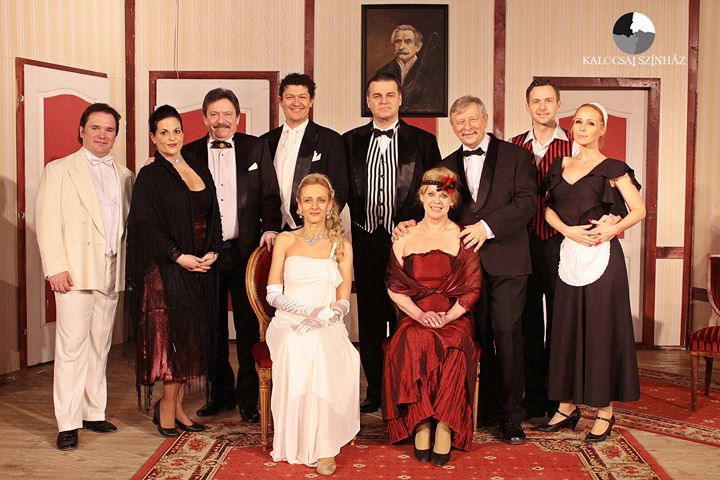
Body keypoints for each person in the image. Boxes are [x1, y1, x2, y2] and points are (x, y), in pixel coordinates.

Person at [536, 103, 644, 443]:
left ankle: (605, 411)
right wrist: (567, 230)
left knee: (600, 331)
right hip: (569, 255)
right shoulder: (559, 165)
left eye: (591, 123)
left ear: (602, 130)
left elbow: (638, 210)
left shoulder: (613, 168)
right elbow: (547, 209)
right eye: (579, 122)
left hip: (602, 259)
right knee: (565, 329)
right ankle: (566, 407)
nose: (582, 128)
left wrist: (613, 229)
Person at [438, 95, 536, 443]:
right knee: (473, 337)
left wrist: (486, 227)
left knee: (507, 336)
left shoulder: (516, 157)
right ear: (453, 127)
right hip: (466, 266)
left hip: (508, 262)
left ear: (485, 119)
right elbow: (439, 209)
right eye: (459, 122)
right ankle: (476, 409)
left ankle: (510, 416)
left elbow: (527, 203)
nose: (466, 127)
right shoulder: (446, 166)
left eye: (471, 119)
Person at [36, 103, 133, 451]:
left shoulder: (125, 175)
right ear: (81, 130)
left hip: (110, 269)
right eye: (95, 128)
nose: (102, 135)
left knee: (100, 345)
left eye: (109, 129)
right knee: (71, 348)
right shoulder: (59, 170)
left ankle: (93, 411)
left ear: (116, 135)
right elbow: (46, 222)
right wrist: (55, 267)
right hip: (74, 271)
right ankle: (68, 422)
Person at [182, 88, 282, 423]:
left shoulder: (256, 147)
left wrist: (271, 227)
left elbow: (270, 195)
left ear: (238, 117)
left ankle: (248, 399)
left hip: (246, 252)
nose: (221, 120)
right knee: (211, 330)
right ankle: (219, 395)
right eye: (214, 114)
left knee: (249, 329)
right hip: (206, 256)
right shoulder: (189, 153)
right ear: (204, 118)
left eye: (227, 114)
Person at [344, 72, 441, 413]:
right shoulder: (350, 141)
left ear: (400, 99)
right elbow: (338, 190)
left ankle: (407, 390)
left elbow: (438, 190)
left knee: (406, 317)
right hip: (366, 238)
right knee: (370, 319)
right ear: (367, 101)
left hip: (410, 243)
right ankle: (375, 390)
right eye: (376, 95)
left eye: (389, 95)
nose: (383, 101)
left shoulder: (423, 141)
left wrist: (416, 221)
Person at [125, 105, 222, 437]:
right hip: (168, 270)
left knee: (191, 341)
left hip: (199, 267)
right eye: (163, 132)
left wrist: (213, 250)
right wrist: (179, 257)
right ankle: (165, 407)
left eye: (176, 130)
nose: (171, 137)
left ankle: (179, 407)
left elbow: (214, 214)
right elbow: (147, 225)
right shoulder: (150, 175)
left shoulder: (197, 166)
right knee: (173, 343)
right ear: (153, 137)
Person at [383, 167, 481, 467]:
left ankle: (446, 424)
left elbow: (472, 289)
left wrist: (448, 317)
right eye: (431, 194)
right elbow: (394, 286)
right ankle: (422, 421)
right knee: (414, 337)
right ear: (421, 197)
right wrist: (419, 314)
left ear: (453, 200)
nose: (437, 201)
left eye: (444, 195)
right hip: (415, 316)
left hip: (455, 316)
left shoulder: (464, 237)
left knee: (454, 344)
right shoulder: (405, 236)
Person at [265, 173, 359, 476]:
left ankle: (324, 446)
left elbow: (344, 299)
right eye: (308, 200)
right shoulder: (285, 240)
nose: (314, 206)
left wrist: (328, 315)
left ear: (330, 204)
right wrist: (309, 311)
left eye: (321, 200)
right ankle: (297, 437)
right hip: (288, 321)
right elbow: (273, 294)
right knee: (297, 343)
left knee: (319, 346)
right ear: (298, 204)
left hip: (327, 322)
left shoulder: (341, 245)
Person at [508, 78, 575, 420]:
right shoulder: (514, 145)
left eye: (549, 100)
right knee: (528, 321)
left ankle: (559, 397)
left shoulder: (574, 145)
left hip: (560, 242)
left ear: (558, 104)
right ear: (527, 106)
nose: (543, 106)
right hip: (521, 242)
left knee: (561, 321)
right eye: (536, 101)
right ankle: (533, 397)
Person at [261, 73, 348, 230]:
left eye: (302, 97)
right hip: (272, 230)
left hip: (315, 229)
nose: (296, 103)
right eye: (290, 97)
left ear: (311, 101)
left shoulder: (331, 140)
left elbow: (340, 190)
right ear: (280, 101)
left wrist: (321, 225)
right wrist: (268, 226)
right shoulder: (265, 141)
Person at [375, 24, 443, 114]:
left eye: (407, 42)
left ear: (418, 47)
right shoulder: (382, 72)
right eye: (398, 41)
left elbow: (431, 105)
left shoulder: (430, 74)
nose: (401, 47)